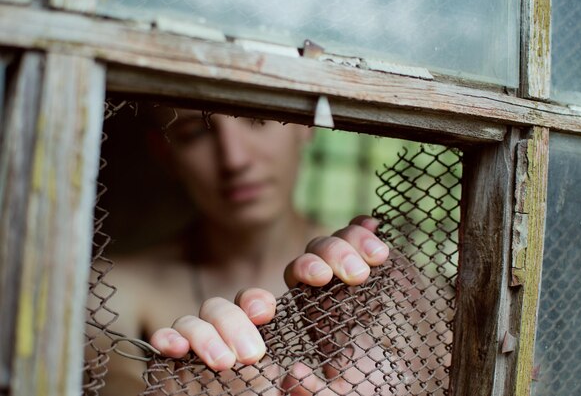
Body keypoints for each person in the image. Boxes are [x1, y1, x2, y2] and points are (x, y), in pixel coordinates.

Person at [92, 105, 390, 395]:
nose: (234, 159)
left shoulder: (378, 281)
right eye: (195, 132)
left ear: (305, 123)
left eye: (258, 119)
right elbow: (109, 380)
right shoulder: (111, 289)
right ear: (165, 152)